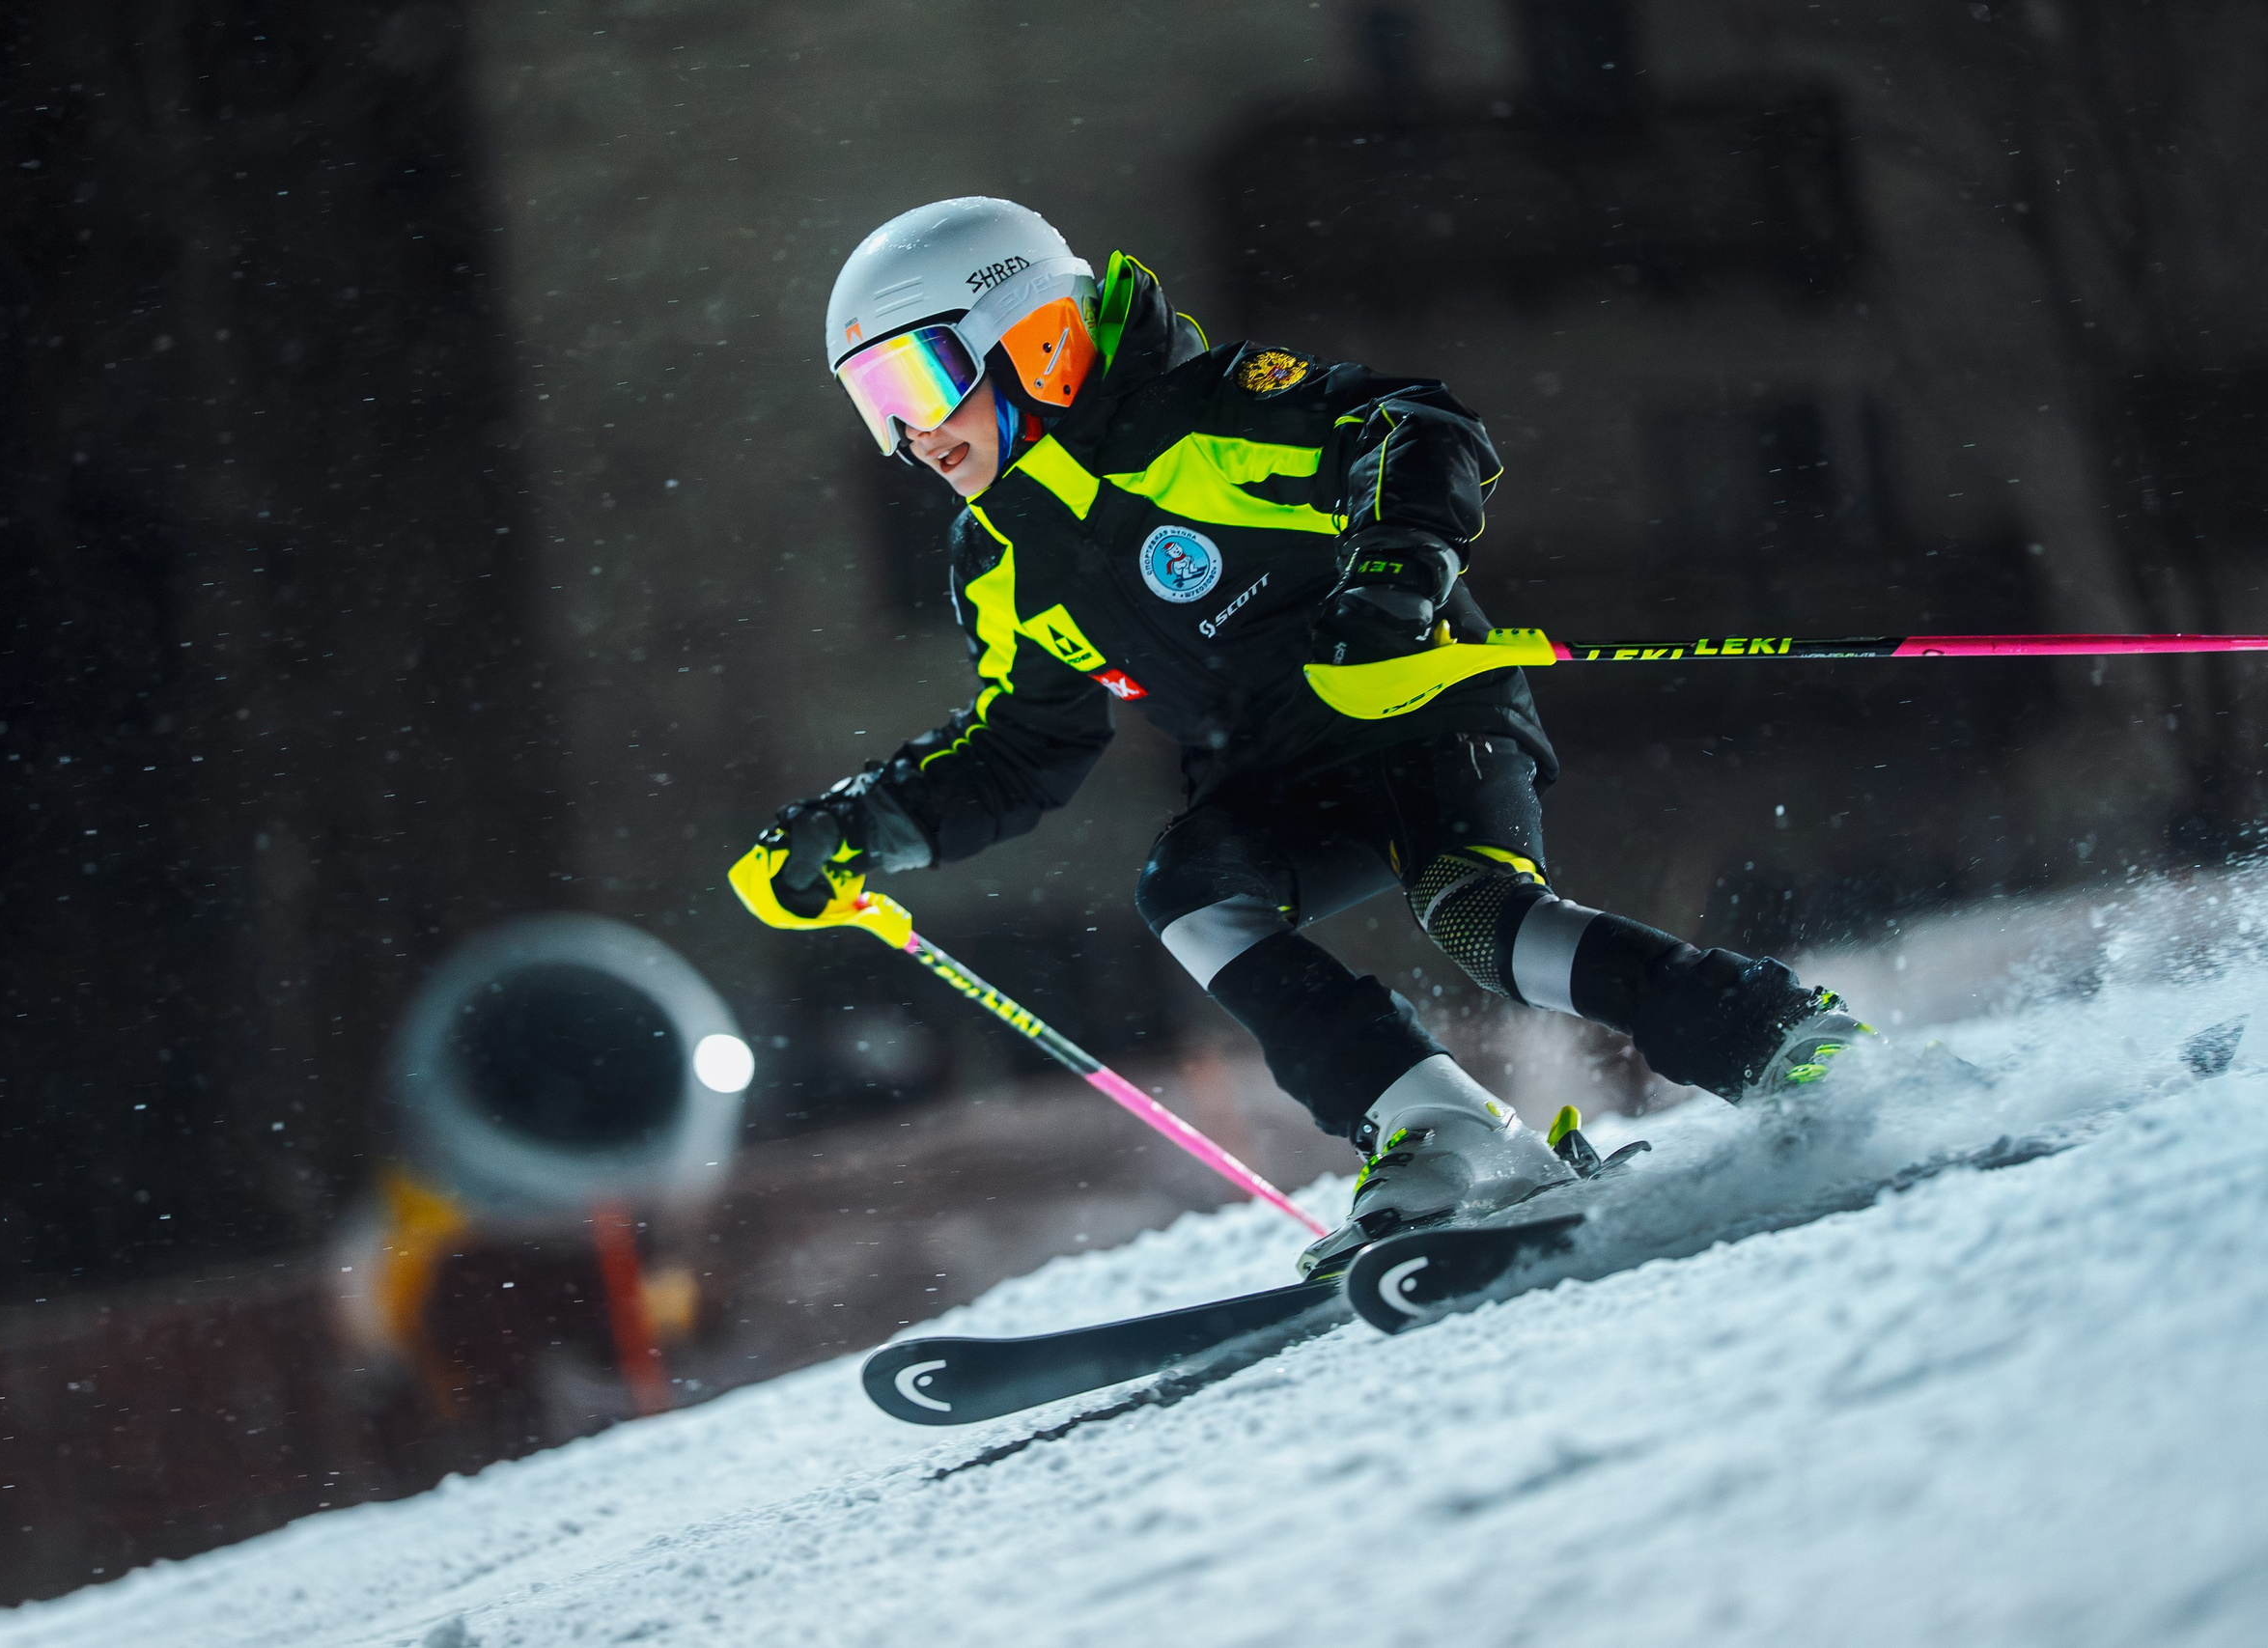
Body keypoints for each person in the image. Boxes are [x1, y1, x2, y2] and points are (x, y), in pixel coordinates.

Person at [729, 197, 1866, 1277]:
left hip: (1415, 706)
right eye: (875, 401)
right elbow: (1025, 746)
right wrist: (862, 829)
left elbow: (1416, 428)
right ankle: (1443, 1131)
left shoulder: (1204, 418)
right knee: (1188, 890)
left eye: (920, 376)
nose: (911, 431)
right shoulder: (1004, 558)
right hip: (1277, 777)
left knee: (1484, 918)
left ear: (1032, 338)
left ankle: (1773, 1038)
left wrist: (1387, 590)